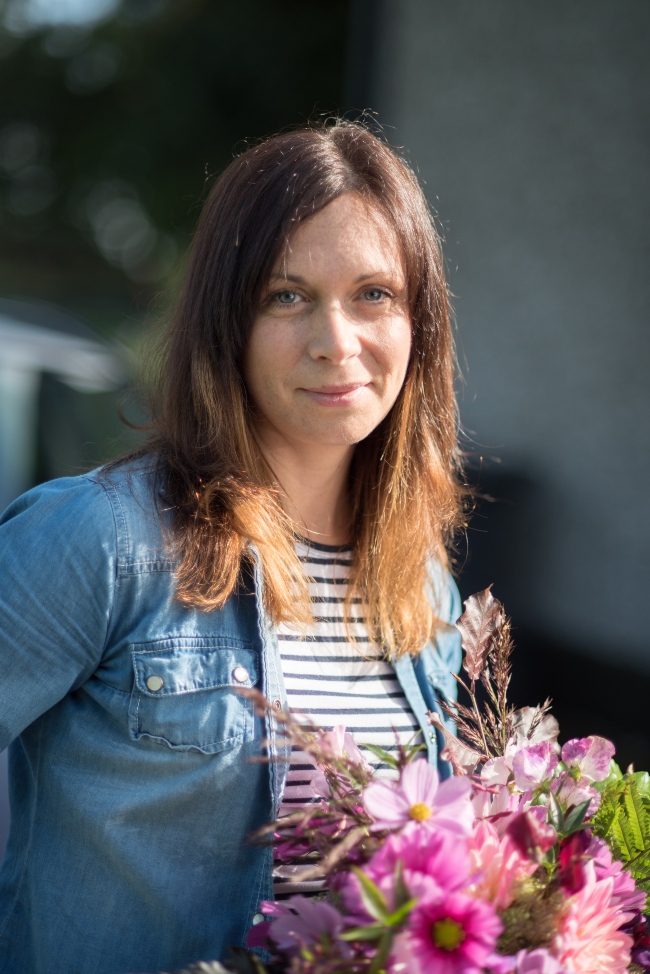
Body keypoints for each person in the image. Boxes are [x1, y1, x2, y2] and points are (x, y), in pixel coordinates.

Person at [0, 121, 465, 974]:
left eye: (373, 294)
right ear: (228, 324)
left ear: (419, 321)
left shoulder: (425, 589)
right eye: (286, 296)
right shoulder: (103, 540)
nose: (337, 340)